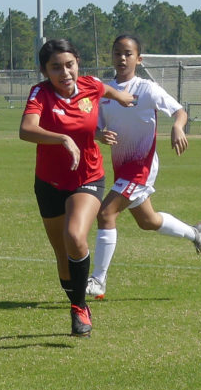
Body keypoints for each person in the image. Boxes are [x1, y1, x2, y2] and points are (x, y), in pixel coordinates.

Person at [20, 38, 136, 337]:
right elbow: (26, 129)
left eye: (69, 65)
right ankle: (75, 299)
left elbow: (104, 89)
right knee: (63, 258)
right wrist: (62, 138)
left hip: (88, 177)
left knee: (75, 235)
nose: (64, 72)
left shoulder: (91, 85)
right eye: (55, 67)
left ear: (78, 64)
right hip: (48, 183)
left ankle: (80, 307)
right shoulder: (40, 93)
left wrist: (121, 96)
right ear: (45, 71)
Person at [86, 35, 201, 299]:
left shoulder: (147, 89)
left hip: (141, 168)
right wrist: (99, 135)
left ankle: (98, 280)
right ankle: (196, 233)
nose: (122, 58)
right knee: (148, 221)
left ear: (138, 59)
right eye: (117, 53)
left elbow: (180, 111)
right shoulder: (106, 93)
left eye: (128, 53)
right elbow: (94, 127)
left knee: (106, 213)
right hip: (123, 169)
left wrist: (177, 127)